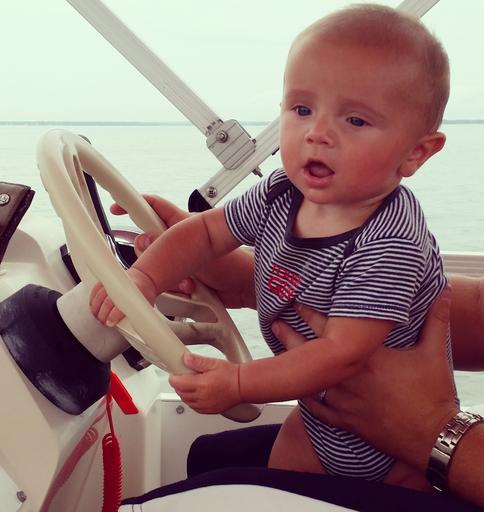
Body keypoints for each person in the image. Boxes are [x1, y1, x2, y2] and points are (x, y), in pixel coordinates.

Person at [91, 4, 451, 489]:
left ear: (415, 153)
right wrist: (144, 277)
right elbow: (207, 232)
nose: (317, 133)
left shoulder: (390, 242)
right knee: (270, 487)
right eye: (302, 110)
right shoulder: (282, 192)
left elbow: (340, 355)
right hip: (318, 420)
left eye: (355, 120)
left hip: (394, 453)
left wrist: (238, 382)